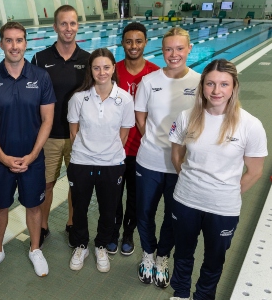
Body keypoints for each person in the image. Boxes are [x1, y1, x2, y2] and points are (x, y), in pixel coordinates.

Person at [169, 59, 267, 300]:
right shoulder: (186, 117)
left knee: (214, 260)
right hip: (185, 201)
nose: (216, 91)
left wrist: (227, 192)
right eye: (211, 84)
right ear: (202, 86)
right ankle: (181, 294)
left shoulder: (250, 125)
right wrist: (191, 182)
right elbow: (176, 155)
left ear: (234, 87)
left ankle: (203, 296)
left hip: (223, 207)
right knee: (182, 253)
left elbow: (255, 171)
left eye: (224, 84)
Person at [0, 22, 56, 277]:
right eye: (8, 41)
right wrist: (0, 156)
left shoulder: (40, 76)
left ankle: (35, 249)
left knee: (34, 206)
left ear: (25, 43)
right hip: (0, 159)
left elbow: (48, 120)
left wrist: (32, 155)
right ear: (1, 44)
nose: (14, 46)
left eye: (19, 40)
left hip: (33, 157)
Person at [134, 27, 201, 288]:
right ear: (162, 51)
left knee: (173, 216)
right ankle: (148, 254)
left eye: (179, 48)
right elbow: (140, 117)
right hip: (149, 160)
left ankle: (163, 256)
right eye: (168, 49)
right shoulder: (149, 81)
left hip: (181, 165)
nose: (174, 54)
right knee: (145, 212)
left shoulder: (199, 82)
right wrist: (155, 139)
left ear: (189, 48)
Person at [67, 48, 135, 272]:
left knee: (109, 209)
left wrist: (107, 151)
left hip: (111, 163)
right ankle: (81, 244)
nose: (102, 72)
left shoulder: (124, 99)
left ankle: (101, 245)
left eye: (106, 67)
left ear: (114, 68)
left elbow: (124, 134)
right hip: (82, 161)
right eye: (97, 67)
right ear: (90, 70)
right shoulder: (79, 98)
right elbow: (73, 132)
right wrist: (88, 150)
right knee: (80, 208)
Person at [31, 5, 90, 246]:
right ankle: (43, 226)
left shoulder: (88, 59)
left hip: (80, 136)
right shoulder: (40, 59)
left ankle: (72, 224)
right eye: (63, 24)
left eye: (72, 23)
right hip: (50, 135)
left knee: (77, 184)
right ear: (55, 27)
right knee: (47, 183)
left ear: (78, 26)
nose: (68, 28)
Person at [108, 22, 160, 256]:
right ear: (123, 43)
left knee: (136, 197)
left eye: (138, 41)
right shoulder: (113, 71)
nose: (133, 46)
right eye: (129, 41)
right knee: (114, 195)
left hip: (143, 150)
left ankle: (128, 233)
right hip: (117, 147)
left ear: (146, 43)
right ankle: (112, 231)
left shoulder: (155, 73)